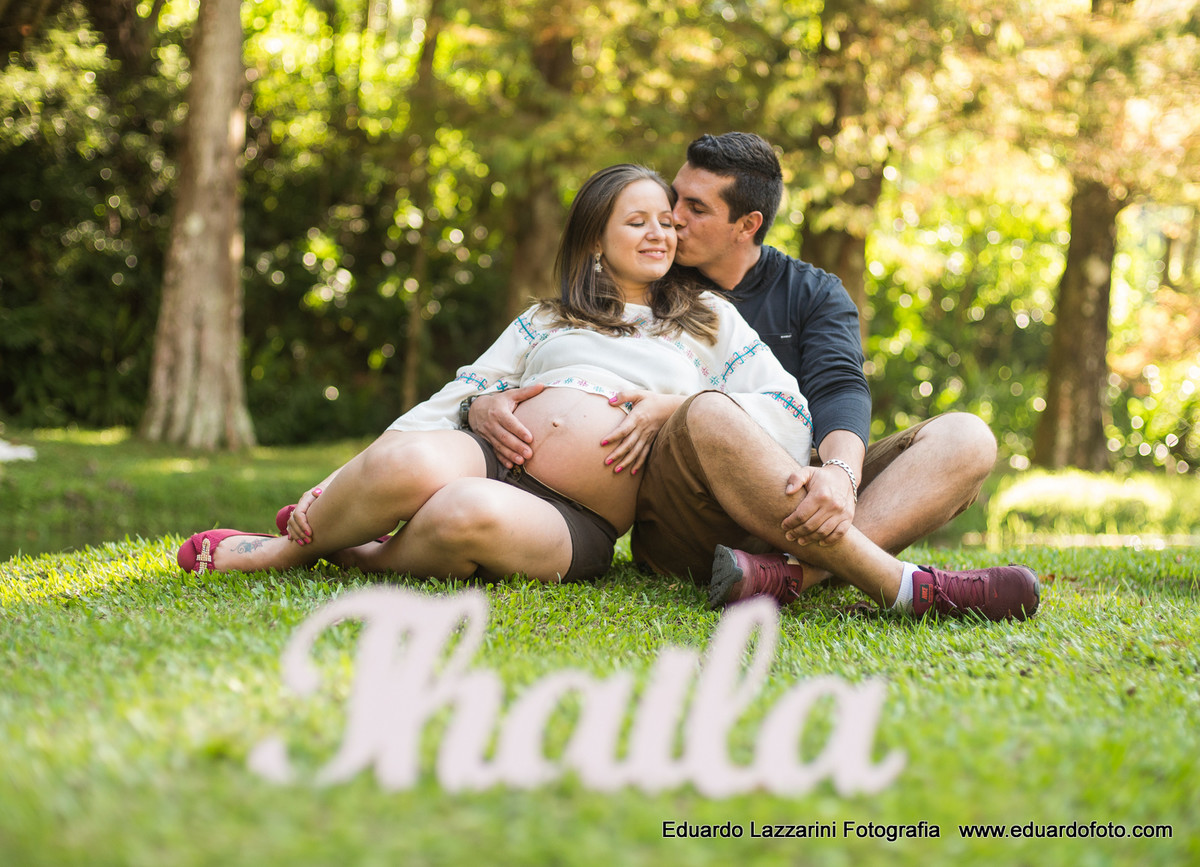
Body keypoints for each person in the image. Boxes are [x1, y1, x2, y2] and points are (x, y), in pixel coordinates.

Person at [468, 133, 1039, 621]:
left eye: (693, 209)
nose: (671, 220)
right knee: (709, 409)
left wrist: (839, 474)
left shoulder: (812, 292)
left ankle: (789, 577)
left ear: (748, 224)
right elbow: (559, 355)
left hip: (795, 489)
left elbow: (840, 388)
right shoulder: (649, 281)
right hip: (688, 512)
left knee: (967, 437)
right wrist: (482, 403)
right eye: (672, 201)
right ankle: (905, 586)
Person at [176, 163, 812, 585]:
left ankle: (369, 554)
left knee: (461, 514)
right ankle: (289, 551)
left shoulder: (708, 320)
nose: (660, 235)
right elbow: (461, 390)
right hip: (486, 453)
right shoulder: (548, 318)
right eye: (638, 221)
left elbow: (788, 407)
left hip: (577, 515)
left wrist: (677, 406)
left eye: (668, 223)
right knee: (404, 466)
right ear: (596, 239)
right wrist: (338, 479)